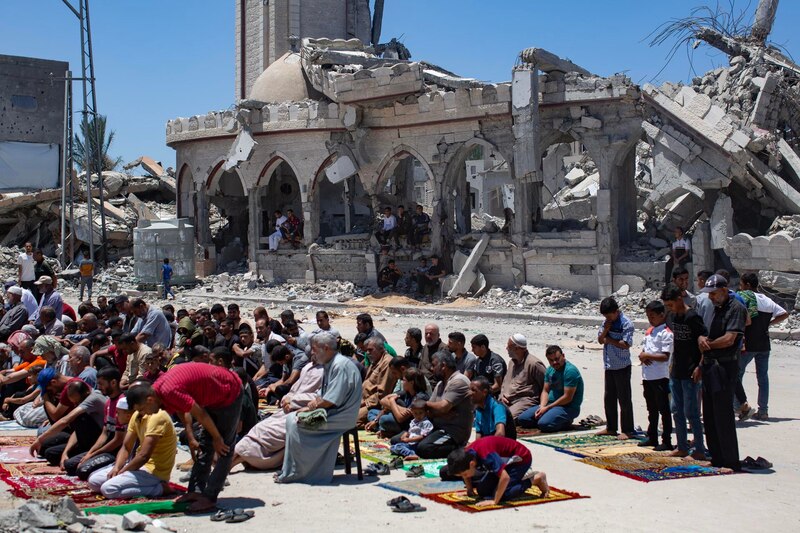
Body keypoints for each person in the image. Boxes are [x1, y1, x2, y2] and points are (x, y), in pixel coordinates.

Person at [126, 362, 243, 512]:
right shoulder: (159, 391)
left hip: (229, 392)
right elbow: (183, 409)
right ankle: (196, 491)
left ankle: (210, 497)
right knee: (204, 445)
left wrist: (217, 438)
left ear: (149, 400)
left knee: (224, 449)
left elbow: (200, 414)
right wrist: (191, 436)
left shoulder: (168, 391)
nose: (145, 414)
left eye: (142, 410)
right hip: (211, 395)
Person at [276, 332, 362, 484]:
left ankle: (303, 472)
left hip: (341, 416)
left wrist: (309, 408)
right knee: (291, 419)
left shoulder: (339, 365)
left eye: (315, 349)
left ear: (326, 348)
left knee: (298, 424)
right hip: (332, 412)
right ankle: (294, 470)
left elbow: (330, 400)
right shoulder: (330, 364)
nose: (312, 353)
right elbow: (322, 394)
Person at [233, 355, 324, 470]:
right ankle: (235, 460)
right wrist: (287, 398)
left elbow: (321, 397)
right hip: (290, 409)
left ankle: (232, 462)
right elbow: (295, 388)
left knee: (268, 432)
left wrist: (293, 400)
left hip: (308, 411)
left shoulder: (329, 370)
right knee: (260, 427)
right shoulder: (308, 367)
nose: (313, 353)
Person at [87, 394, 177, 499]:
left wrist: (122, 471)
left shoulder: (158, 417)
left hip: (154, 471)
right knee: (94, 482)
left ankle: (160, 489)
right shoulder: (137, 415)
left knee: (108, 489)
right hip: (137, 466)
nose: (115, 415)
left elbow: (144, 456)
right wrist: (117, 467)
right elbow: (126, 447)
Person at [698, 274, 745, 471]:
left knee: (723, 414)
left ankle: (730, 460)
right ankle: (717, 457)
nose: (711, 297)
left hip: (724, 367)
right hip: (710, 365)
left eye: (714, 293)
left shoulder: (736, 308)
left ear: (724, 290)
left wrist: (707, 345)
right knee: (709, 414)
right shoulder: (717, 309)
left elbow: (729, 339)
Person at [661, 284, 707, 460]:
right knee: (676, 410)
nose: (669, 308)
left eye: (670, 304)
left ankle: (699, 450)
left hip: (690, 371)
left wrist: (699, 366)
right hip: (677, 370)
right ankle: (681, 446)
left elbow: (704, 343)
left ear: (679, 299)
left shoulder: (692, 317)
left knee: (691, 412)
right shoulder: (674, 317)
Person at [735, 273, 788, 422]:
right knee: (763, 378)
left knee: (736, 376)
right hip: (764, 344)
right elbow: (784, 314)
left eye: (741, 284)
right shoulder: (767, 300)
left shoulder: (744, 298)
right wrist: (769, 324)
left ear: (747, 285)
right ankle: (763, 411)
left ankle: (740, 406)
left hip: (749, 345)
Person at [446, 436, 548, 507]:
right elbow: (464, 472)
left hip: (521, 460)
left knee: (504, 494)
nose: (465, 476)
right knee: (483, 491)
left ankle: (535, 479)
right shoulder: (466, 455)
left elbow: (505, 477)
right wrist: (469, 490)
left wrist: (495, 501)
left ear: (472, 464)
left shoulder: (486, 455)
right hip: (504, 461)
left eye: (465, 474)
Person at [65, 367, 126, 479]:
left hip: (116, 450)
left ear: (113, 383)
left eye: (102, 384)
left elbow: (118, 440)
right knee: (69, 464)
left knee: (82, 471)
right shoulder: (108, 402)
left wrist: (93, 454)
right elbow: (104, 434)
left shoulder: (122, 404)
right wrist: (91, 453)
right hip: (107, 448)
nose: (99, 387)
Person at [416, 351, 473, 459]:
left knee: (424, 448)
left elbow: (443, 406)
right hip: (438, 427)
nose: (431, 369)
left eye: (434, 365)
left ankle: (460, 449)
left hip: (453, 432)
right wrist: (441, 414)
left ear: (443, 366)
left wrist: (425, 403)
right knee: (399, 440)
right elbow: (428, 411)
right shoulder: (441, 384)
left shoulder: (459, 381)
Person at [597, 297, 635, 439]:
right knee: (609, 398)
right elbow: (600, 340)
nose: (607, 318)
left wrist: (610, 340)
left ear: (616, 311)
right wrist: (606, 330)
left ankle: (627, 429)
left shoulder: (626, 323)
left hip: (622, 366)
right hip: (609, 365)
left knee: (624, 399)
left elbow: (626, 344)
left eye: (609, 315)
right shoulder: (606, 323)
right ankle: (611, 427)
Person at [637, 301, 674, 451]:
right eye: (648, 316)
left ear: (661, 315)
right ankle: (652, 436)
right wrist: (644, 357)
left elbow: (665, 356)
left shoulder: (666, 333)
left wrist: (648, 355)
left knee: (664, 409)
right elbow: (647, 350)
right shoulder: (650, 332)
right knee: (651, 408)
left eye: (652, 316)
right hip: (648, 376)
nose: (650, 319)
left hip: (660, 376)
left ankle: (667, 440)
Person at [501, 334, 546, 426]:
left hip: (524, 401)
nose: (506, 348)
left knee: (505, 419)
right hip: (506, 400)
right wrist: (502, 395)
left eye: (509, 346)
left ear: (517, 348)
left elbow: (546, 385)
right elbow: (505, 382)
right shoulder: (511, 362)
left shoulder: (533, 363)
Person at [357, 337, 397, 427]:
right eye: (367, 350)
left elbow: (382, 394)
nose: (367, 353)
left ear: (381, 349)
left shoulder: (387, 363)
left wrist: (363, 403)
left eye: (370, 350)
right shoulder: (375, 361)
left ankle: (374, 425)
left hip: (373, 404)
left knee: (351, 420)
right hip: (364, 400)